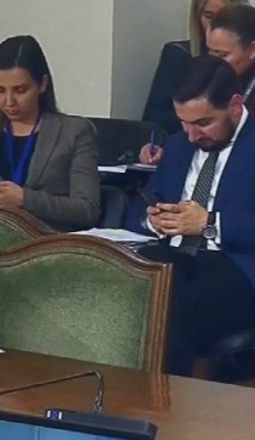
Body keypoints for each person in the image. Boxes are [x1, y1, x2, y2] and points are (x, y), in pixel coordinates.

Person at [125, 56, 255, 379]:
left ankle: (164, 400)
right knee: (115, 284)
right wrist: (153, 220)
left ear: (234, 105)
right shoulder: (178, 145)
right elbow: (139, 209)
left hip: (237, 264)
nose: (192, 135)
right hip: (175, 255)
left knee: (168, 306)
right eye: (184, 123)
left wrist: (209, 224)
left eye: (203, 123)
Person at [0, 35, 100, 231]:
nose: (9, 101)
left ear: (42, 84)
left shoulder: (74, 132)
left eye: (20, 90)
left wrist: (26, 200)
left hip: (42, 242)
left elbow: (87, 209)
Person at [140, 1, 254, 165]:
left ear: (252, 50)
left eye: (222, 54)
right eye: (210, 52)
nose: (213, 61)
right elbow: (158, 122)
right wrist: (159, 147)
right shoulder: (186, 62)